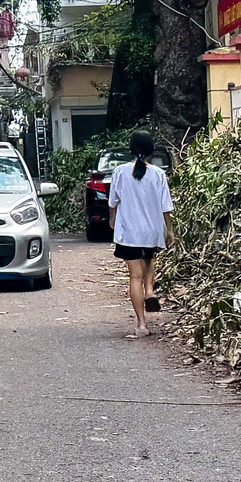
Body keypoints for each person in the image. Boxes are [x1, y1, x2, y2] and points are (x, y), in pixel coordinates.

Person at [106, 130, 172, 337]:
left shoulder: (120, 172)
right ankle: (150, 290)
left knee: (134, 276)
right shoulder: (159, 174)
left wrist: (112, 219)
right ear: (152, 151)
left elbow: (112, 202)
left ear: (130, 150)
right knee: (149, 259)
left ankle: (142, 325)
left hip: (130, 232)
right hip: (152, 231)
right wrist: (169, 231)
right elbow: (166, 207)